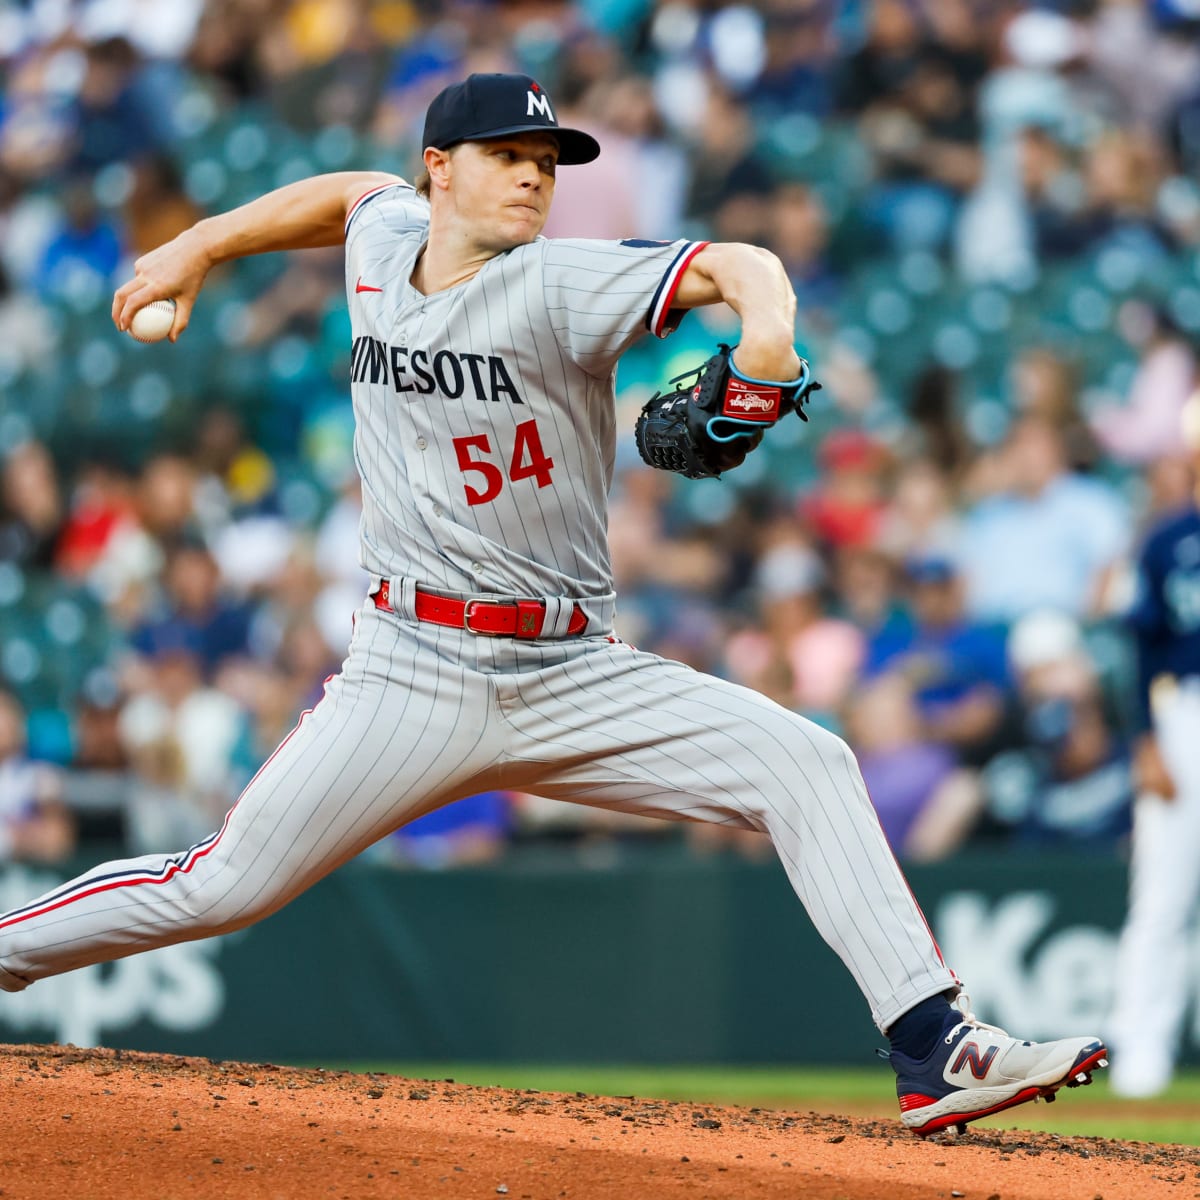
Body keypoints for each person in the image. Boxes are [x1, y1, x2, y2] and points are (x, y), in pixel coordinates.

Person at [0, 73, 1106, 1136]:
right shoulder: (385, 243)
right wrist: (198, 245)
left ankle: (935, 1049)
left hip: (573, 671)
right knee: (222, 886)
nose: (534, 178)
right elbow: (345, 194)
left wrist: (765, 346)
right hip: (411, 671)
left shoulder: (559, 280)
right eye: (508, 157)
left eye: (548, 161)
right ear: (438, 170)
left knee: (806, 763)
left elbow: (742, 264)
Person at [1107, 392, 1200, 1098]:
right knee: (1164, 891)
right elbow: (1137, 648)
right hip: (1183, 714)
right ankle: (1140, 1051)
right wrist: (1144, 740)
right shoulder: (1169, 540)